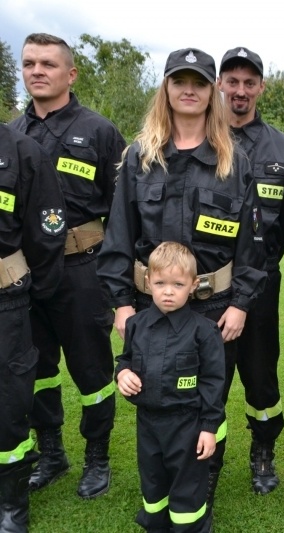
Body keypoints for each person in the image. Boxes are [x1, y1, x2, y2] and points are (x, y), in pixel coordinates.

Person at [96, 47, 265, 511]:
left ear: (213, 92)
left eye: (199, 82)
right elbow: (118, 235)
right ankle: (162, 471)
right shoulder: (140, 159)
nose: (188, 90)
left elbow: (252, 246)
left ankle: (204, 474)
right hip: (151, 305)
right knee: (158, 390)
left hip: (214, 306)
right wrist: (123, 305)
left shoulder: (235, 161)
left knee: (209, 391)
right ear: (166, 89)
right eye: (179, 81)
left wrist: (241, 303)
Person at [10, 32, 126, 499]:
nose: (37, 71)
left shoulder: (99, 131)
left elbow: (123, 210)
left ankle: (96, 457)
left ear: (70, 74)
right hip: (26, 275)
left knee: (92, 370)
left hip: (82, 268)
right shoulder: (12, 135)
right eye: (29, 63)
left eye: (48, 64)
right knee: (36, 368)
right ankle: (52, 451)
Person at [217, 46, 284, 495]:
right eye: (233, 81)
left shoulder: (282, 147)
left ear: (261, 87)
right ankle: (208, 459)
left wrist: (259, 266)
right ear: (221, 85)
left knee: (261, 374)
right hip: (208, 287)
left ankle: (263, 451)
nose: (241, 91)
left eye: (250, 83)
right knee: (210, 373)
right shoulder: (203, 139)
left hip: (261, 285)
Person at [116, 241, 225, 532]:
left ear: (192, 285)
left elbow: (214, 381)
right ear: (148, 282)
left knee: (187, 488)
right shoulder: (137, 325)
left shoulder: (204, 331)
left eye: (177, 284)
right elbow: (125, 359)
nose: (168, 291)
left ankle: (190, 527)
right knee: (153, 484)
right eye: (161, 282)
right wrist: (122, 373)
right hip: (148, 424)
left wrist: (209, 428)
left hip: (187, 426)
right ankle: (157, 525)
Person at [0, 124, 66, 532]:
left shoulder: (21, 150)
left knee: (8, 403)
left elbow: (46, 230)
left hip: (6, 297)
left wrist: (32, 290)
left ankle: (11, 502)